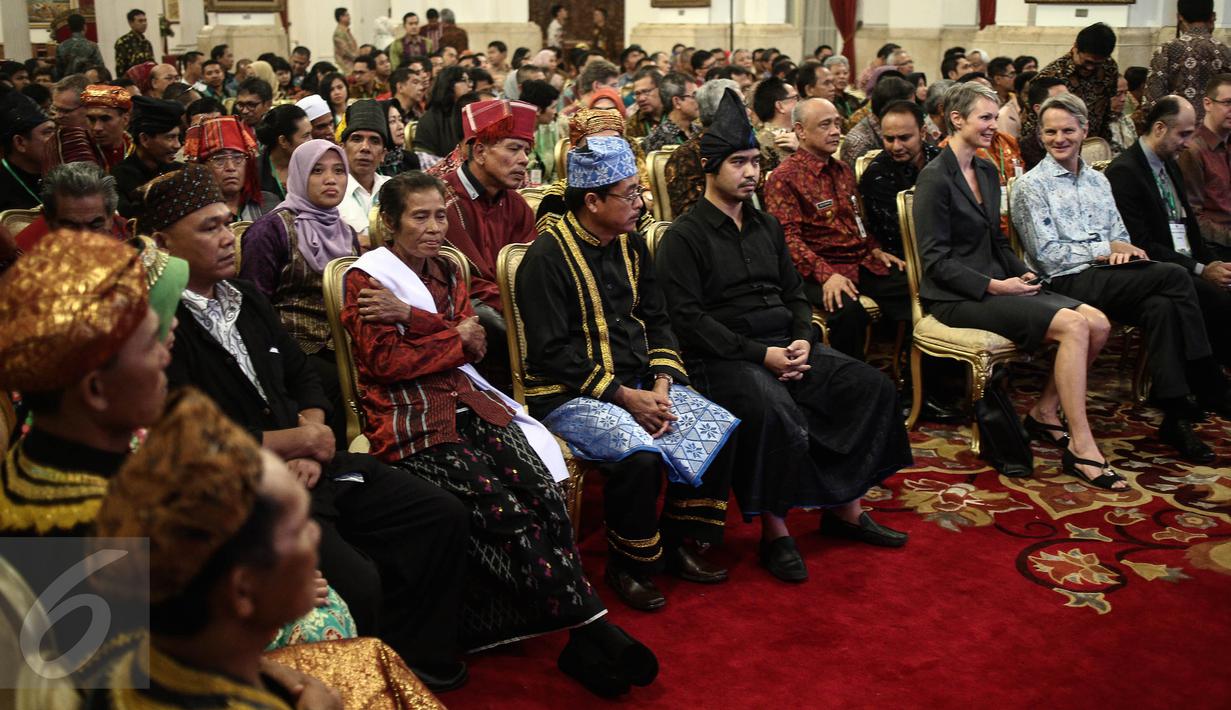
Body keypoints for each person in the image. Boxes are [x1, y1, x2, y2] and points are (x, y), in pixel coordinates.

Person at [148, 163, 470, 690]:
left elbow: (303, 376)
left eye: (230, 223)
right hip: (249, 485)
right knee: (358, 583)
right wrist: (296, 443)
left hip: (311, 464)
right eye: (210, 227)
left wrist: (312, 435)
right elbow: (190, 443)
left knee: (440, 514)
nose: (231, 239)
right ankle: (367, 682)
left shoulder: (245, 299)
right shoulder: (165, 323)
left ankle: (416, 660)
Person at [341, 170, 658, 697]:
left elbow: (478, 347)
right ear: (390, 222)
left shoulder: (450, 268)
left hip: (469, 400)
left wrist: (414, 321)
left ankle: (578, 632)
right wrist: (444, 332)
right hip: (410, 416)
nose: (433, 227)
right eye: (419, 217)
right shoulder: (366, 278)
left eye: (440, 214)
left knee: (541, 492)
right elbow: (388, 364)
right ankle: (589, 627)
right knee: (499, 508)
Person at [657, 89, 912, 583]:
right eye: (738, 163)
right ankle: (776, 532)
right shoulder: (684, 236)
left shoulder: (766, 226)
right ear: (713, 168)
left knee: (870, 388)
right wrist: (763, 355)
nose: (751, 172)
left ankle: (846, 511)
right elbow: (689, 321)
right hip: (725, 358)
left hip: (788, 345)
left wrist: (800, 340)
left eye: (755, 161)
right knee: (777, 412)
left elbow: (796, 293)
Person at [519, 137, 738, 610]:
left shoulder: (631, 245)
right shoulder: (546, 258)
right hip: (567, 394)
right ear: (592, 201)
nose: (642, 204)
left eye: (640, 192)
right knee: (639, 456)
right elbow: (552, 352)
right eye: (631, 195)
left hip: (640, 383)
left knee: (716, 426)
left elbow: (658, 319)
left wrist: (660, 385)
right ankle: (630, 564)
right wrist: (624, 397)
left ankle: (681, 543)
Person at [914, 82, 1119, 483]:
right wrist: (997, 285)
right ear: (957, 120)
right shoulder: (934, 178)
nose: (995, 125)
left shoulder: (988, 169)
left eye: (994, 116)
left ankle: (1044, 411)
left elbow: (995, 241)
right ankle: (1082, 445)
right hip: (956, 297)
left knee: (1099, 322)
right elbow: (936, 263)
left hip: (997, 285)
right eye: (985, 118)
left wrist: (1021, 272)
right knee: (1075, 325)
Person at [1014, 92, 1227, 465]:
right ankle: (1204, 378)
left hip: (1109, 275)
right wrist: (1103, 248)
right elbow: (1048, 257)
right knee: (1175, 277)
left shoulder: (1098, 182)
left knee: (1163, 307)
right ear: (1039, 135)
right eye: (1049, 132)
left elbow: (1122, 236)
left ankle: (1175, 414)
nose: (1058, 139)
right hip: (1065, 281)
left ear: (1084, 130)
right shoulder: (1032, 186)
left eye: (1067, 130)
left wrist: (1121, 249)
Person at [767, 97, 909, 360]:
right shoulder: (783, 178)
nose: (835, 131)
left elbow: (857, 220)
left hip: (858, 260)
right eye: (825, 125)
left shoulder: (842, 170)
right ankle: (850, 382)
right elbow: (788, 239)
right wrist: (826, 274)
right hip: (814, 270)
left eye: (836, 123)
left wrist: (875, 249)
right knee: (848, 312)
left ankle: (905, 374)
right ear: (800, 131)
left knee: (911, 287)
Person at [239, 139, 356, 444]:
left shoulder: (347, 233)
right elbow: (254, 306)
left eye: (339, 171)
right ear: (299, 175)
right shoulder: (271, 230)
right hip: (293, 348)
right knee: (336, 386)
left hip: (343, 344)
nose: (331, 179)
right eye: (317, 171)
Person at [1107, 95, 1231, 374]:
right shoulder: (1125, 171)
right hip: (1156, 267)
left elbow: (1189, 227)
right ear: (1160, 128)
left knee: (1224, 284)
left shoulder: (1170, 164)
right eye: (1183, 134)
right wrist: (1201, 269)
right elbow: (1141, 243)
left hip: (1182, 258)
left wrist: (1213, 263)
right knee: (1215, 298)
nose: (1188, 143)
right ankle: (1207, 376)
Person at [859, 100, 942, 261]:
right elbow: (903, 231)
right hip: (906, 259)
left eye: (904, 138)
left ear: (923, 132)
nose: (896, 147)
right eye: (889, 139)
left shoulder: (942, 159)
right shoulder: (876, 175)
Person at [1020, 22, 1119, 154]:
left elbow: (1107, 111)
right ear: (1075, 48)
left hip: (1094, 148)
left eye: (1097, 64)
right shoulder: (1051, 76)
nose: (1090, 68)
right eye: (1087, 62)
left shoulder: (1109, 67)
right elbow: (1031, 128)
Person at [662, 78, 741, 219]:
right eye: (741, 106)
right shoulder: (686, 156)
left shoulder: (745, 147)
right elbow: (689, 215)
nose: (747, 112)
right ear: (722, 112)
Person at [1142, 0, 1231, 124]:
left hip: (1178, 132)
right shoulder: (1225, 51)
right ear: (1212, 16)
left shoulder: (1167, 50)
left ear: (1179, 17)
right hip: (1215, 132)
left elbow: (1152, 102)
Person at [184, 114, 279, 222]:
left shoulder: (269, 204)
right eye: (219, 159)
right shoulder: (193, 214)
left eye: (238, 158)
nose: (230, 167)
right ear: (202, 167)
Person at [14, 162, 127, 251]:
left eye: (95, 225)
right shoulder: (24, 260)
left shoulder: (126, 232)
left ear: (110, 218)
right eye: (71, 227)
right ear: (49, 220)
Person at [1179, 74, 1231, 259]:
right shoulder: (1192, 150)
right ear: (1208, 104)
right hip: (1215, 248)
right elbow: (1193, 218)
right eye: (1227, 103)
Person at [113, 96, 183, 219]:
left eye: (178, 137)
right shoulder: (118, 179)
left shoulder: (181, 172)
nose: (177, 145)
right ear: (144, 139)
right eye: (170, 138)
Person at [337, 100, 392, 242]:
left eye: (374, 141)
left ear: (383, 154)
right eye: (357, 139)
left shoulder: (395, 189)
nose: (365, 148)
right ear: (342, 148)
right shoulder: (331, 191)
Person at [840, 75, 915, 166]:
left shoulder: (908, 129)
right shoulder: (859, 144)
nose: (915, 112)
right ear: (891, 109)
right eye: (910, 107)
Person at [0, 91, 53, 212]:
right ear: (20, 142)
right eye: (47, 132)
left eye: (54, 130)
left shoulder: (63, 175)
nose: (55, 139)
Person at [413, 65, 471, 164]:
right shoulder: (430, 119)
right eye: (464, 80)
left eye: (469, 80)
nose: (470, 85)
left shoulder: (468, 112)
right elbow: (425, 161)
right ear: (449, 84)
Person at [257, 103, 311, 200]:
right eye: (306, 136)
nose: (311, 141)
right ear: (283, 141)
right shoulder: (255, 171)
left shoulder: (314, 164)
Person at [752, 77, 800, 173]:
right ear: (780, 106)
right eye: (795, 98)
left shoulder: (799, 132)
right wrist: (802, 151)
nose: (800, 103)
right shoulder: (761, 142)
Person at [642, 72, 698, 153]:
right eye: (694, 96)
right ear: (677, 102)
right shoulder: (656, 141)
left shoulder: (700, 132)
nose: (699, 100)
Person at [380, 99, 420, 176]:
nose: (400, 126)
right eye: (392, 121)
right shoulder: (370, 162)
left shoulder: (410, 159)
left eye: (400, 120)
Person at [626, 68, 664, 141]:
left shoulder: (676, 115)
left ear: (661, 89)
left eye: (646, 92)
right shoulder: (632, 125)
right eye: (637, 94)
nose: (641, 99)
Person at [114, 9, 154, 75]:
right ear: (131, 23)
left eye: (145, 20)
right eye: (140, 21)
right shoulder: (123, 42)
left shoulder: (146, 43)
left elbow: (152, 64)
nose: (144, 23)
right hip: (131, 81)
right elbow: (121, 69)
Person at [1109, 74, 1138, 155]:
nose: (1123, 99)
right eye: (1118, 94)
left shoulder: (1127, 121)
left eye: (1125, 93)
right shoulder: (1096, 123)